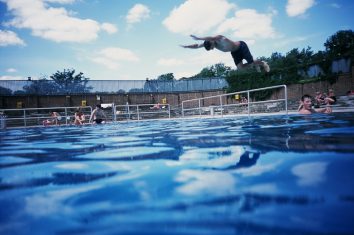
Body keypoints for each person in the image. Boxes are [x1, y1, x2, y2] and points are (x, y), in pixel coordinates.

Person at [181, 34, 270, 72]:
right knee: (240, 68)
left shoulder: (220, 38)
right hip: (234, 52)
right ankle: (255, 64)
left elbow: (211, 37)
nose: (212, 49)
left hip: (241, 47)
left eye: (211, 48)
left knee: (251, 62)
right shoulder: (210, 44)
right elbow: (196, 46)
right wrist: (186, 47)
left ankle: (262, 63)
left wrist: (199, 38)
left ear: (211, 42)